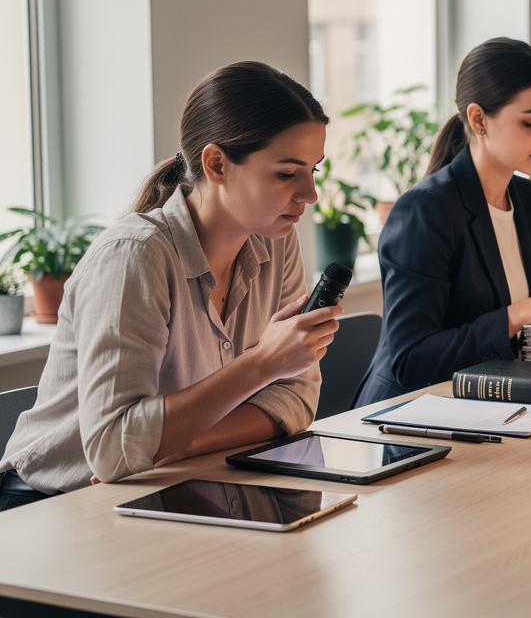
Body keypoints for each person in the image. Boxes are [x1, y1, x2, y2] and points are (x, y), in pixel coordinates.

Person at [0, 61, 340, 511]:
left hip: (168, 485)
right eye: (286, 173)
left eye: (314, 169)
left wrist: (176, 446)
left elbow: (294, 401)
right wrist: (260, 365)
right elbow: (114, 448)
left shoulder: (276, 241)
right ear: (217, 164)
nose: (310, 194)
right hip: (50, 508)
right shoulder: (134, 256)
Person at [353, 38, 531, 407]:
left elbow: (517, 334)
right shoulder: (424, 212)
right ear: (479, 119)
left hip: (490, 408)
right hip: (408, 420)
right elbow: (411, 361)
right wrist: (524, 311)